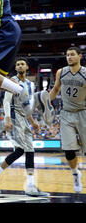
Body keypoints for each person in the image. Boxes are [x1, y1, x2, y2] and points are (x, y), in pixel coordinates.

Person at [0, 58, 50, 197]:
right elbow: (6, 101)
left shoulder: (30, 85)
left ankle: (28, 185)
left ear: (27, 67)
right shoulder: (12, 81)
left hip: (24, 120)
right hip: (14, 118)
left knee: (27, 151)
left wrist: (32, 122)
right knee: (24, 150)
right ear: (16, 68)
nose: (20, 66)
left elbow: (27, 106)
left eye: (22, 64)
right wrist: (7, 118)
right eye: (17, 64)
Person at [49, 46, 86, 193]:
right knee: (69, 150)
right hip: (66, 113)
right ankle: (75, 173)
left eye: (72, 55)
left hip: (83, 112)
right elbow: (56, 89)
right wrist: (46, 103)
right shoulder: (61, 72)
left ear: (80, 56)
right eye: (67, 55)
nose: (69, 57)